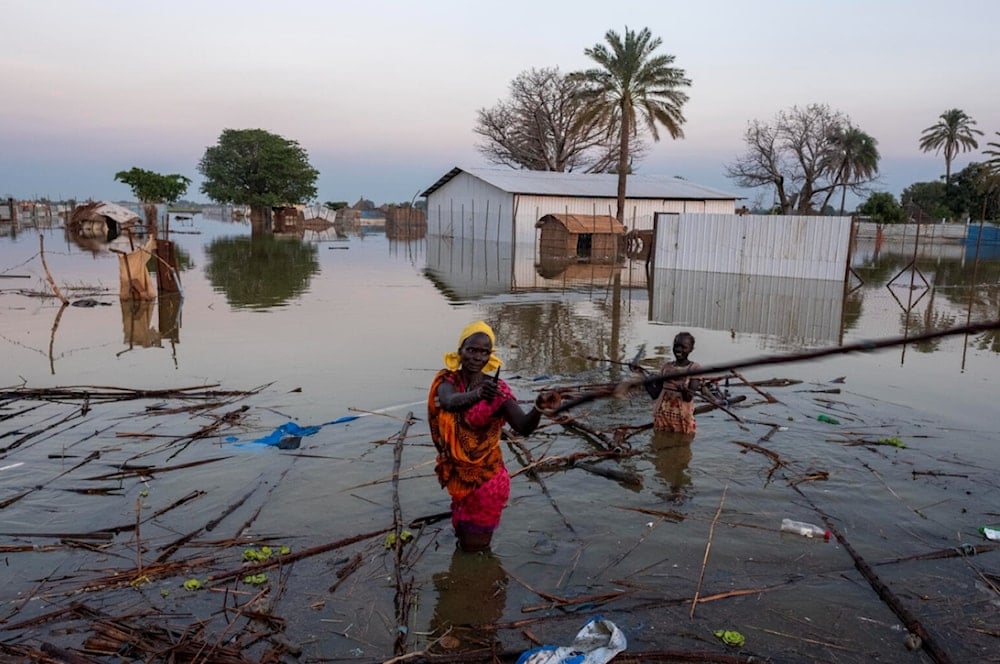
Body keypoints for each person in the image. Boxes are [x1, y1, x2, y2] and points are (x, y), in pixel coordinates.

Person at [428, 320, 558, 552]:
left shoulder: (498, 391)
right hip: (459, 479)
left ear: (490, 356)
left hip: (486, 483)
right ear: (460, 350)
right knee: (464, 544)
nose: (477, 357)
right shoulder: (448, 381)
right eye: (472, 350)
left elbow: (523, 427)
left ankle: (485, 575)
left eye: (484, 352)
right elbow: (448, 402)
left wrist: (538, 408)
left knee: (474, 553)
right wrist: (478, 394)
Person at [632, 331, 702, 434]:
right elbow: (655, 394)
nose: (678, 350)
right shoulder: (666, 367)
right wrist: (645, 379)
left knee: (683, 441)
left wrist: (683, 390)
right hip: (662, 416)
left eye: (683, 347)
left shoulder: (694, 368)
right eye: (676, 346)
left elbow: (688, 398)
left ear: (691, 349)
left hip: (682, 418)